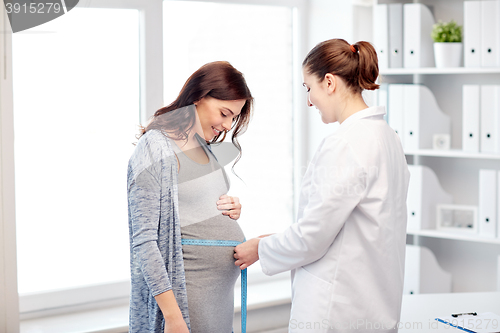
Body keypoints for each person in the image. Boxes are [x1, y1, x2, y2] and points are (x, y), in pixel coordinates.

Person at [234, 39, 410, 333]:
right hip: (374, 308)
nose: (309, 101)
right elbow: (351, 227)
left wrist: (260, 249)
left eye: (308, 88)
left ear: (329, 82)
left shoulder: (345, 144)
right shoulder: (387, 137)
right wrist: (281, 239)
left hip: (335, 312)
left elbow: (312, 238)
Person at [127, 61, 253, 333]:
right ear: (198, 96)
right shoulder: (155, 146)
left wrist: (230, 207)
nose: (228, 125)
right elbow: (145, 242)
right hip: (186, 305)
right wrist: (173, 318)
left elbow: (193, 206)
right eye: (224, 113)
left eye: (234, 118)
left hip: (219, 307)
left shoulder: (205, 148)